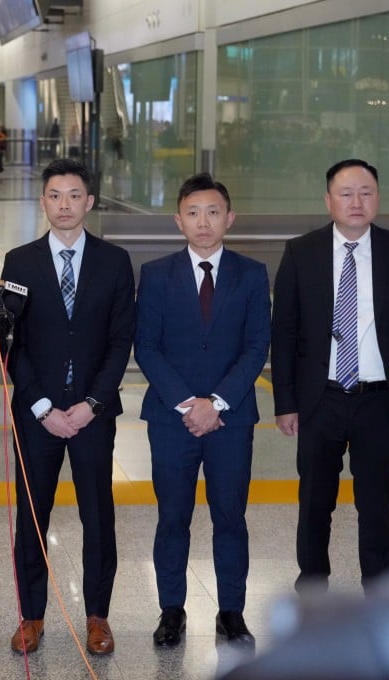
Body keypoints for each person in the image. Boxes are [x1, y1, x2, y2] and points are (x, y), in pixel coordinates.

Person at [271, 159, 389, 594]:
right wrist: (286, 402)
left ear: (378, 197)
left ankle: (378, 599)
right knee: (314, 504)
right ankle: (313, 595)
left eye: (366, 192)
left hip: (379, 401)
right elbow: (283, 332)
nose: (357, 202)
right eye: (346, 193)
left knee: (376, 506)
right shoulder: (301, 252)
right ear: (328, 200)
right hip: (321, 397)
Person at [1, 158, 135, 657]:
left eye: (74, 195)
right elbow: (11, 342)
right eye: (55, 195)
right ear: (43, 202)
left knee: (98, 515)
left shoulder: (114, 261)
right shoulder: (19, 261)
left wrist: (91, 404)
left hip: (93, 416)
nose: (64, 204)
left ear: (89, 202)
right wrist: (41, 405)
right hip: (37, 416)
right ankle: (30, 616)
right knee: (31, 517)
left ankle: (97, 616)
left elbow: (122, 339)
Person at [135, 173, 271, 648]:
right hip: (171, 420)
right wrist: (187, 403)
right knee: (173, 516)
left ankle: (231, 612)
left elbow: (257, 347)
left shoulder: (252, 274)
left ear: (229, 218)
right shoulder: (155, 275)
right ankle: (171, 610)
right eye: (193, 213)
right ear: (178, 221)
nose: (204, 222)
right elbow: (147, 347)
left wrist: (216, 403)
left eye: (213, 212)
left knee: (230, 516)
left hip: (231, 419)